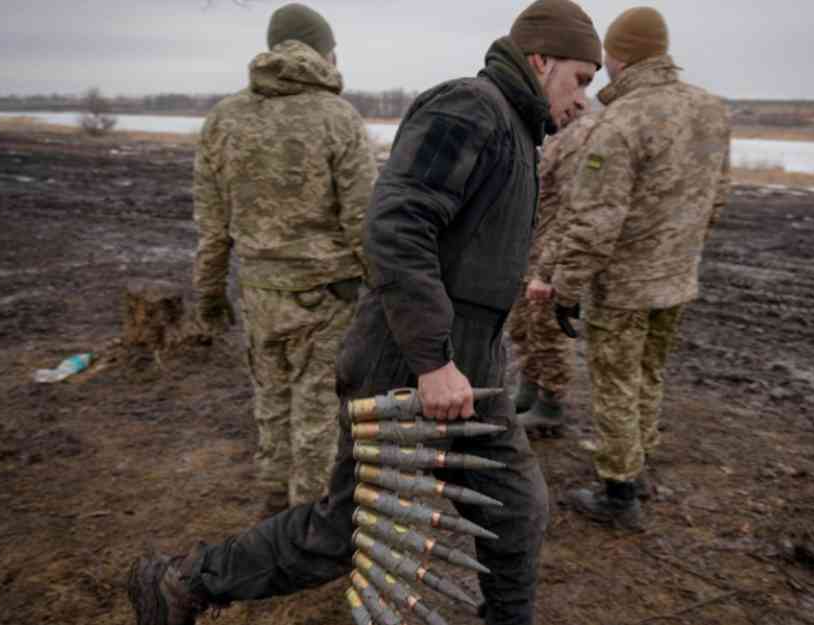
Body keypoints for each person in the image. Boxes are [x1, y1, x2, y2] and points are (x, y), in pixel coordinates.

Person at [127, 2, 601, 625]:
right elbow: (397, 226)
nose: (584, 99)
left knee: (516, 507)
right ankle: (184, 583)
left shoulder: (514, 126)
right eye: (580, 80)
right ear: (540, 62)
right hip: (408, 359)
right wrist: (434, 360)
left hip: (470, 364)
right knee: (344, 532)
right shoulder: (468, 107)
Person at [538, 7, 731, 529]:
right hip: (676, 279)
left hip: (623, 286)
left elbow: (596, 219)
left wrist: (567, 288)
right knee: (648, 373)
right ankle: (636, 463)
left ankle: (620, 493)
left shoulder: (621, 121)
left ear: (618, 57)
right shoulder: (712, 110)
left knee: (617, 381)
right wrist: (681, 250)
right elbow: (717, 197)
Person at [192, 3, 377, 516]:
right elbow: (365, 224)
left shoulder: (223, 120)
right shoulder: (339, 118)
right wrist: (387, 290)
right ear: (324, 51)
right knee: (316, 408)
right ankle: (308, 522)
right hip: (326, 294)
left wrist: (209, 296)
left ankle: (275, 503)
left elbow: (211, 227)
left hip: (257, 291)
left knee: (271, 399)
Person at [510, 109, 596, 435]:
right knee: (522, 326)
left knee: (548, 330)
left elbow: (575, 209)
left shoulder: (580, 136)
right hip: (531, 249)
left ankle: (550, 405)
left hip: (552, 252)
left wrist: (553, 267)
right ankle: (528, 391)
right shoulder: (551, 132)